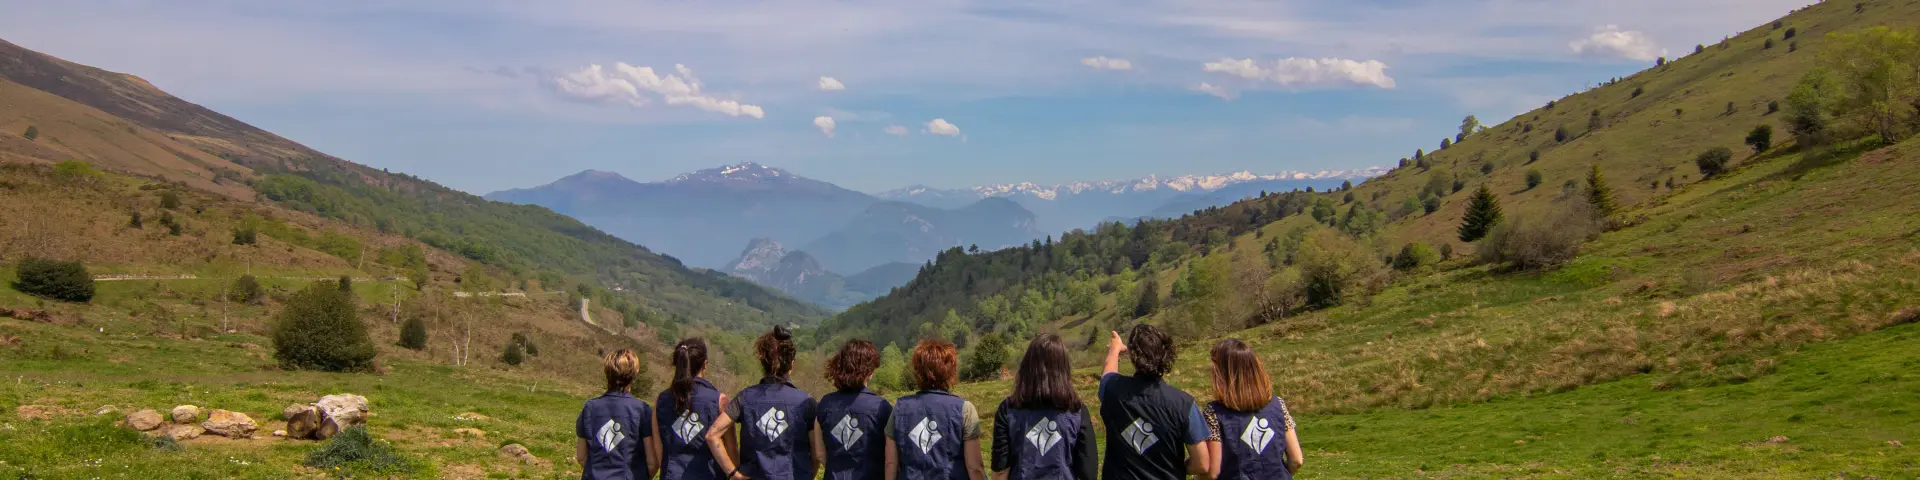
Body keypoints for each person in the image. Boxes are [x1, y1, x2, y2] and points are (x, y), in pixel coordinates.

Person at [1099, 325, 1211, 480]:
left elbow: (1108, 373)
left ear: (1133, 356)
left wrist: (1115, 349)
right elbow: (1202, 464)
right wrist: (1175, 468)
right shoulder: (1184, 404)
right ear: (1165, 354)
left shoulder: (1112, 390)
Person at [708, 326, 818, 480]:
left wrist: (733, 473)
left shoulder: (745, 397)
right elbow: (816, 453)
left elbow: (712, 435)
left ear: (762, 362)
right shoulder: (807, 402)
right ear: (792, 364)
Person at [992, 334, 1098, 480]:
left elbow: (1000, 470)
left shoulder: (1008, 409)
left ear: (1027, 367)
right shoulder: (1077, 411)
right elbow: (1088, 472)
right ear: (1063, 368)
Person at [886, 339, 986, 480]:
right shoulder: (965, 409)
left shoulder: (899, 408)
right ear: (951, 370)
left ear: (917, 371)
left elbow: (891, 463)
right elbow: (975, 468)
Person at [1202, 339, 1302, 479]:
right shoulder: (1278, 404)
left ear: (1222, 373)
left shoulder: (1213, 412)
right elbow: (1297, 460)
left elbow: (1213, 472)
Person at [576, 348, 663, 480]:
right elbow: (652, 463)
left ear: (607, 373)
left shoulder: (590, 408)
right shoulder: (643, 410)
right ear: (634, 374)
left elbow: (582, 457)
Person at [815, 340, 893, 480]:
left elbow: (820, 454)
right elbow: (890, 458)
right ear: (868, 371)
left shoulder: (825, 403)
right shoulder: (882, 407)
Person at [658, 338, 726, 480]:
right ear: (705, 364)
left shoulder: (662, 400)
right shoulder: (719, 401)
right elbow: (730, 450)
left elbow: (659, 455)